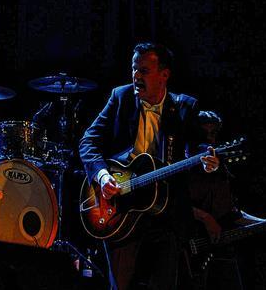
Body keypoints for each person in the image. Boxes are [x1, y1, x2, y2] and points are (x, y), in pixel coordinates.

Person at [79, 42, 220, 290]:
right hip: (121, 211)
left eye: (144, 71)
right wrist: (102, 176)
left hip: (164, 215)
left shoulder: (185, 106)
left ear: (164, 75)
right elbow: (89, 141)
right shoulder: (120, 97)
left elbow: (197, 150)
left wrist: (209, 162)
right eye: (134, 69)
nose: (136, 76)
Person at [188, 110, 266, 290]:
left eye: (213, 133)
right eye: (204, 133)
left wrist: (264, 223)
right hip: (185, 253)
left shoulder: (221, 172)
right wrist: (205, 217)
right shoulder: (182, 165)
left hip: (218, 252)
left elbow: (232, 213)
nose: (210, 140)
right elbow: (175, 204)